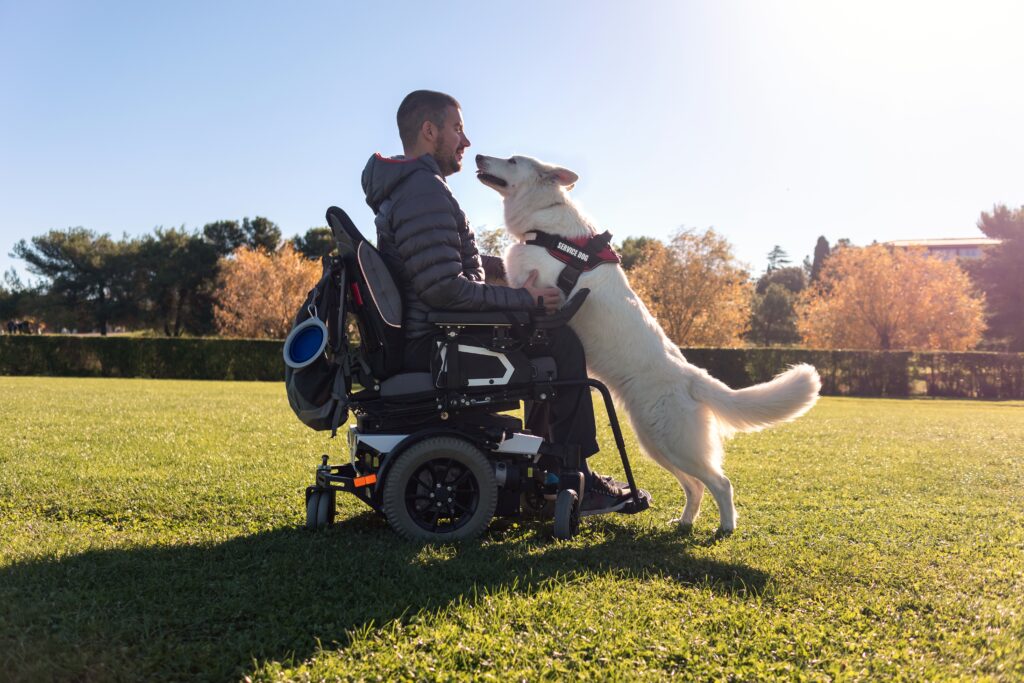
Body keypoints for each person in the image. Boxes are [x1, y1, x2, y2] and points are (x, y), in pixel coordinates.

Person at [361, 89, 634, 515]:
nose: (466, 142)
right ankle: (573, 476)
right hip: (438, 340)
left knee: (549, 338)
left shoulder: (410, 188)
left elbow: (447, 266)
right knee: (561, 345)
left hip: (434, 331)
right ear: (429, 131)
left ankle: (553, 466)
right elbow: (444, 288)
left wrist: (517, 266)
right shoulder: (423, 192)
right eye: (457, 128)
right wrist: (521, 298)